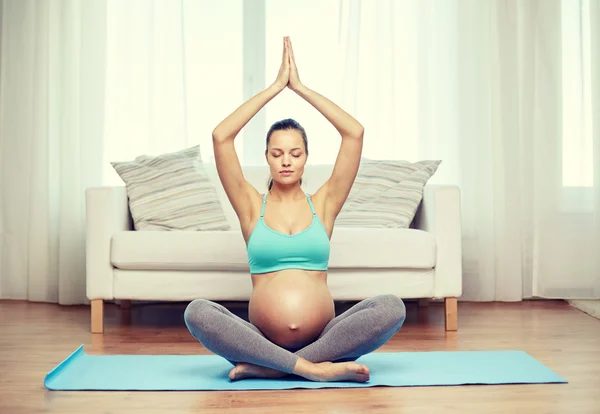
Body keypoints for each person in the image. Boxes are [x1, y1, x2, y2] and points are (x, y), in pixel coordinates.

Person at [184, 36, 406, 383]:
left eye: (295, 153)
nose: (286, 161)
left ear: (305, 157)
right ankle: (309, 369)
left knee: (392, 307)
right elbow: (221, 136)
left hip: (325, 339)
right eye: (277, 153)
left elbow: (354, 133)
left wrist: (299, 87)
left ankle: (272, 367)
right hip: (261, 340)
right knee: (197, 312)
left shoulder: (324, 203)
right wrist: (275, 87)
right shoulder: (249, 205)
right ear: (267, 158)